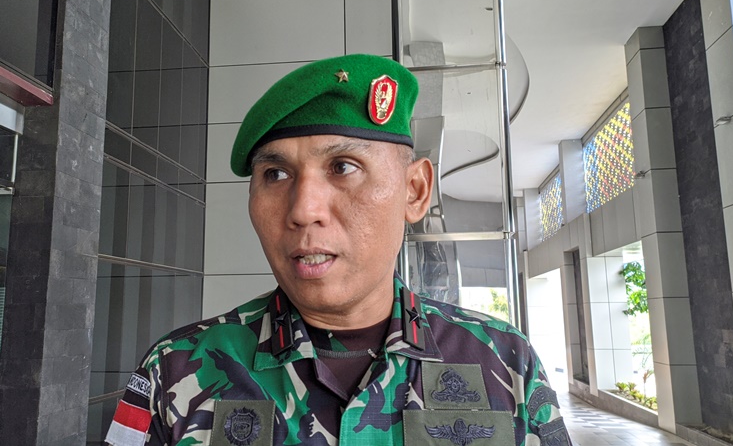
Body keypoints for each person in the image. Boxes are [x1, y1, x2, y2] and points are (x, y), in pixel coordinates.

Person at [105, 54, 571, 446]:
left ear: (414, 191)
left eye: (343, 167)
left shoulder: (505, 361)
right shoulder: (174, 370)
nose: (303, 210)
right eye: (276, 175)